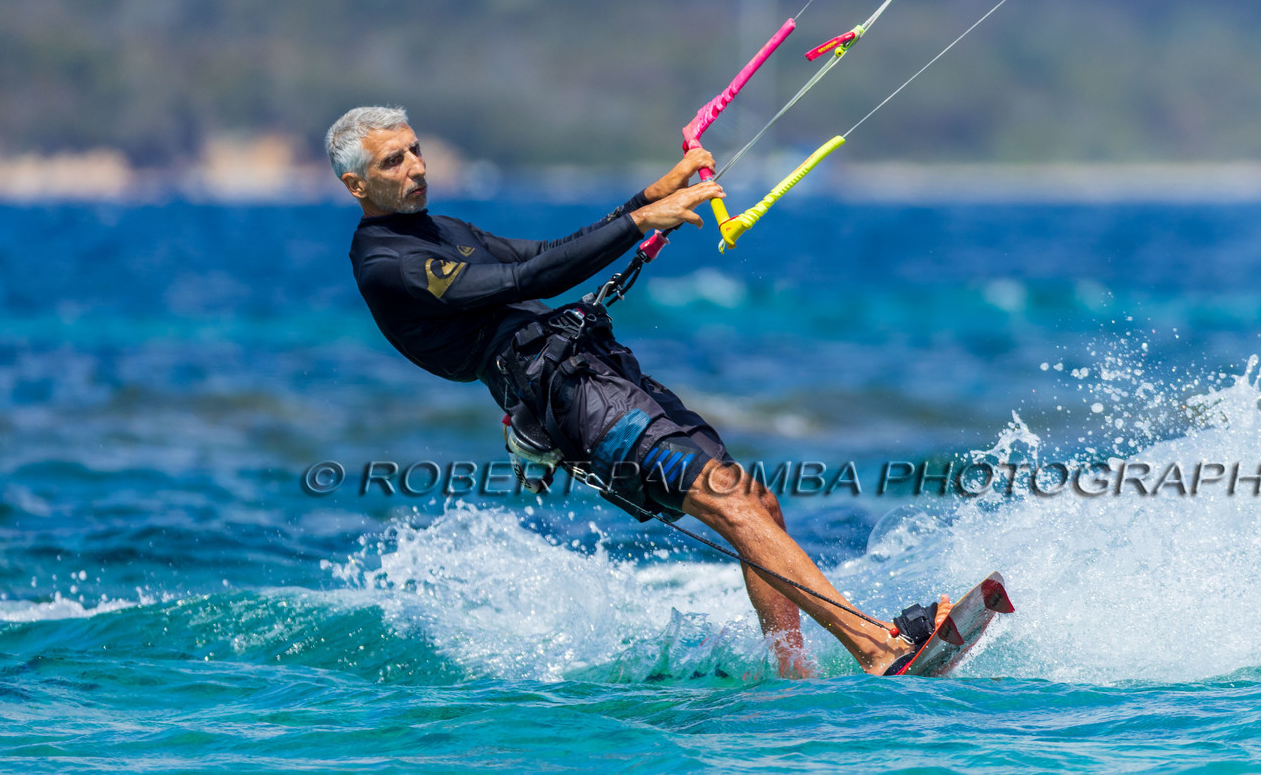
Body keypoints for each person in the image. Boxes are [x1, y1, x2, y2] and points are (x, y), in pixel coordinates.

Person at [326, 105, 941, 676]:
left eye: (415, 151)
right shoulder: (389, 263)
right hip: (571, 402)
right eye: (393, 162)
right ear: (356, 186)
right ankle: (874, 647)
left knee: (756, 504)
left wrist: (650, 196)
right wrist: (641, 222)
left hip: (596, 373)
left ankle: (792, 676)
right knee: (732, 504)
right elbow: (525, 277)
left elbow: (549, 251)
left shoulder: (439, 227)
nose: (417, 167)